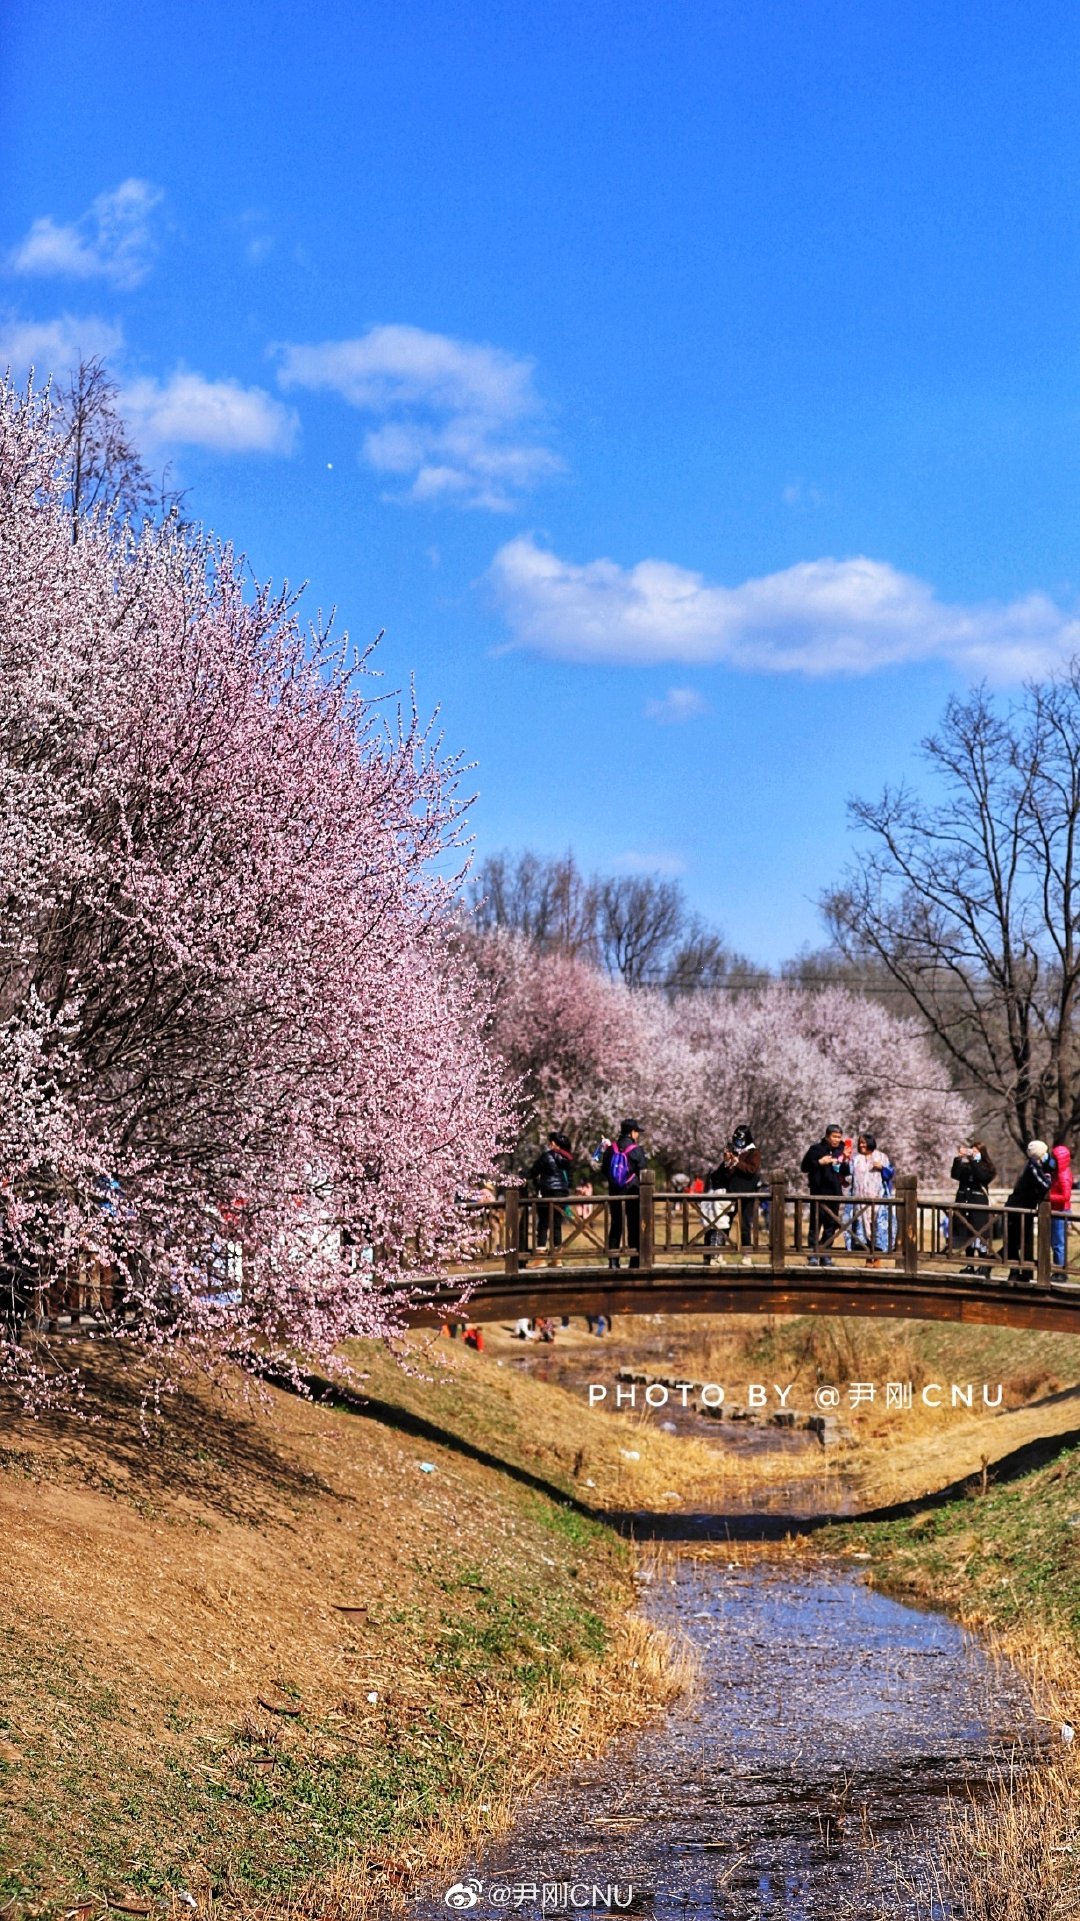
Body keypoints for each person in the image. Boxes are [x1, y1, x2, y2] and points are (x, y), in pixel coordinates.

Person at [800, 1125, 851, 1265]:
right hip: (818, 1192)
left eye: (839, 1137)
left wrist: (845, 1159)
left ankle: (826, 1253)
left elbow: (846, 1172)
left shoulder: (842, 1150)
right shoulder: (816, 1149)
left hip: (835, 1192)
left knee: (831, 1224)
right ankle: (813, 1254)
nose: (837, 1140)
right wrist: (819, 1162)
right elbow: (804, 1167)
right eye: (834, 1136)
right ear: (827, 1136)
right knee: (815, 1223)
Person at [1005, 1141, 1055, 1283]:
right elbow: (1044, 1185)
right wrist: (1050, 1178)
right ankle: (1014, 1272)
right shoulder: (1032, 1167)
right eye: (1045, 1152)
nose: (1047, 1155)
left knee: (1023, 1241)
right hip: (1017, 1209)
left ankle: (1024, 1273)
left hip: (1024, 1209)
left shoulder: (1036, 1165)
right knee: (1014, 1241)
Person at [600, 1120, 647, 1268]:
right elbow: (643, 1170)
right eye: (637, 1132)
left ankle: (613, 1261)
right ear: (632, 1132)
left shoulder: (610, 1149)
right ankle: (634, 1260)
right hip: (632, 1192)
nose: (638, 1135)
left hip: (615, 1192)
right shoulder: (636, 1150)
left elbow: (604, 1170)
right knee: (633, 1225)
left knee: (616, 1225)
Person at [714, 1124, 763, 1265]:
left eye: (741, 1139)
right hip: (731, 1193)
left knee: (745, 1225)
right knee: (724, 1222)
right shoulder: (733, 1151)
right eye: (736, 1139)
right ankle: (719, 1253)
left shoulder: (754, 1152)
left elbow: (752, 1169)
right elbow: (723, 1174)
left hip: (747, 1194)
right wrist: (727, 1162)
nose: (738, 1142)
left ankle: (746, 1254)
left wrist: (737, 1162)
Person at [950, 1142, 997, 1273]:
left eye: (976, 1152)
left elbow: (981, 1176)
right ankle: (969, 1265)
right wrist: (958, 1159)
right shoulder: (967, 1166)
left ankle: (983, 1265)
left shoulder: (988, 1167)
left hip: (979, 1205)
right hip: (964, 1204)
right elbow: (955, 1174)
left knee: (980, 1234)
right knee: (967, 1234)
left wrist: (974, 1161)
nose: (973, 1154)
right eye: (972, 1151)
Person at [529, 1130, 574, 1258]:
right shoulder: (567, 1158)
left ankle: (541, 1256)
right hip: (562, 1194)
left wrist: (523, 1176)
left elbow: (533, 1171)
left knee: (543, 1223)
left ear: (553, 1143)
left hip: (548, 1192)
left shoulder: (547, 1156)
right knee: (556, 1224)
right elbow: (570, 1181)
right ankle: (557, 1257)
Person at [849, 1132, 891, 1265]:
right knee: (862, 1226)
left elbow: (890, 1174)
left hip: (877, 1198)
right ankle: (867, 1256)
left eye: (864, 1142)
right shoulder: (856, 1159)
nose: (862, 1145)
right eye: (860, 1142)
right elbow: (844, 1171)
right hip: (860, 1199)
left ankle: (878, 1257)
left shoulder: (881, 1156)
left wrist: (882, 1168)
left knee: (876, 1227)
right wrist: (843, 1158)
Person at [1051, 1135, 1073, 1274]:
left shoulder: (1063, 1175)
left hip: (1061, 1212)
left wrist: (1048, 1197)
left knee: (1059, 1244)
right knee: (1055, 1243)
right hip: (1055, 1211)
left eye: (1054, 1158)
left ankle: (1061, 1272)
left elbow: (1066, 1196)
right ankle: (1057, 1270)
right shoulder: (1057, 1172)